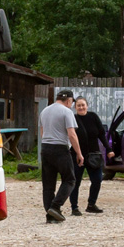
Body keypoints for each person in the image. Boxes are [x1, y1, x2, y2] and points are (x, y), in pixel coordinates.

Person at [38, 89, 83, 223]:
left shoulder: (44, 111)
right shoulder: (67, 112)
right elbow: (71, 134)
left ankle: (50, 215)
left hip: (45, 147)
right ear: (69, 100)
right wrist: (79, 153)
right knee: (69, 179)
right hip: (60, 149)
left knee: (48, 184)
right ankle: (55, 207)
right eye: (71, 102)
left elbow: (42, 132)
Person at [69, 96, 106, 215]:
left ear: (87, 106)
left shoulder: (93, 116)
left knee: (97, 180)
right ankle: (74, 207)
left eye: (83, 105)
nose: (81, 107)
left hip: (93, 155)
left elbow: (101, 134)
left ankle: (91, 204)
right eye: (78, 105)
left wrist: (109, 149)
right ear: (75, 108)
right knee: (76, 182)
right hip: (76, 155)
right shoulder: (72, 119)